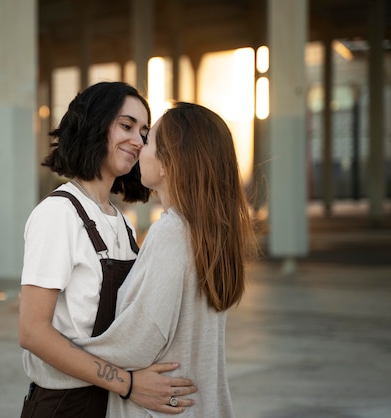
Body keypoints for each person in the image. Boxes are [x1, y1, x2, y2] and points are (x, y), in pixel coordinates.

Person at [18, 82, 197, 418]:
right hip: (66, 406)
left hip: (114, 403)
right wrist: (127, 383)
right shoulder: (58, 214)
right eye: (126, 126)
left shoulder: (123, 224)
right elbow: (32, 332)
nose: (138, 140)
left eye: (144, 131)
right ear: (94, 125)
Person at [73, 102, 260, 417]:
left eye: (148, 141)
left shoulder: (171, 232)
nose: (139, 148)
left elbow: (138, 342)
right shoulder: (209, 233)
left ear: (168, 164)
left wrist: (58, 353)